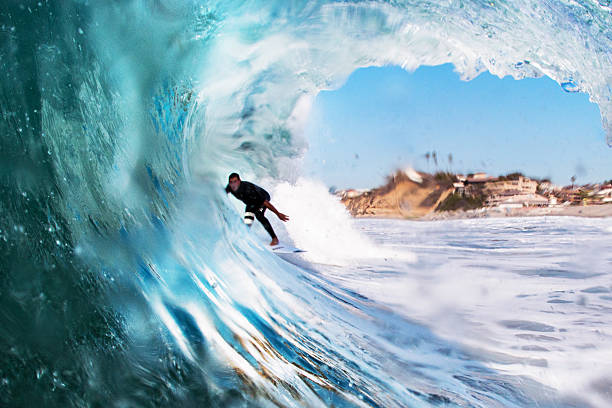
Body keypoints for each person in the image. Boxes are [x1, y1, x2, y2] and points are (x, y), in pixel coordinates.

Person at [225, 173, 289, 245]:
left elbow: (265, 202)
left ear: (239, 181)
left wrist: (278, 214)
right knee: (248, 218)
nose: (233, 184)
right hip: (250, 203)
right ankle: (246, 235)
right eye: (231, 182)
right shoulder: (230, 187)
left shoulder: (248, 189)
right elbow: (223, 193)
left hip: (262, 198)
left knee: (259, 215)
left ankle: (275, 239)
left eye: (235, 181)